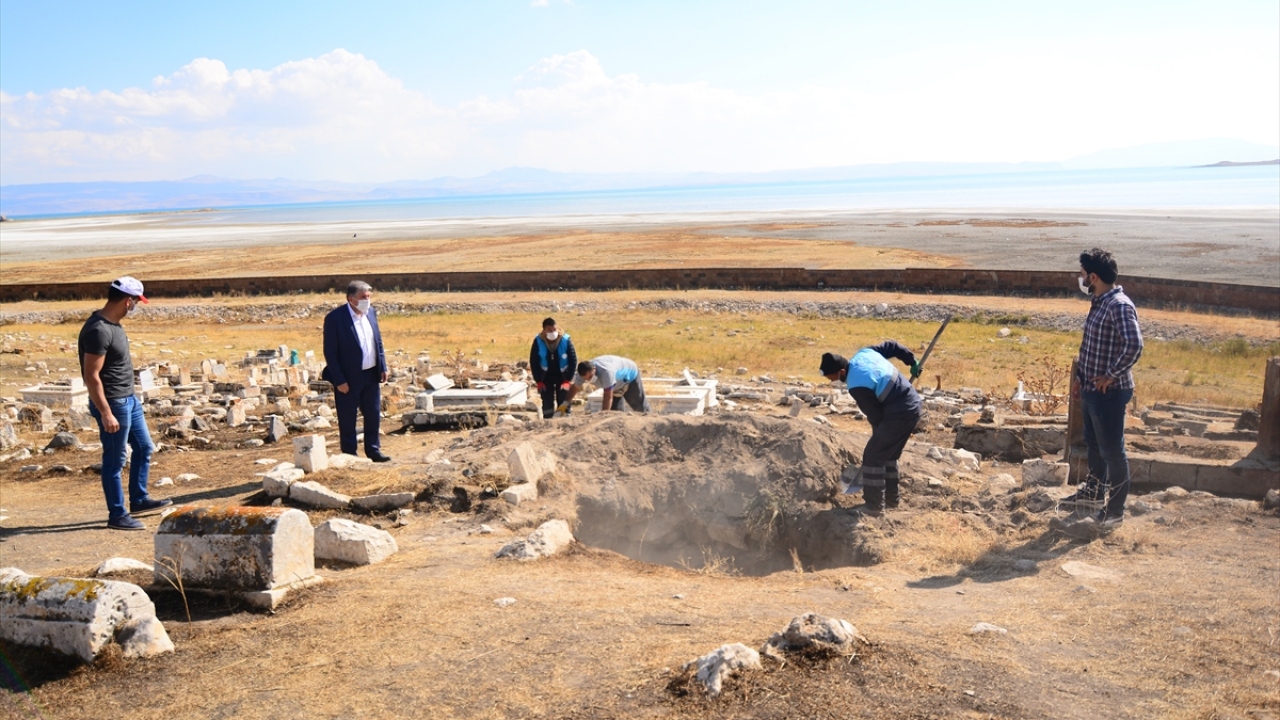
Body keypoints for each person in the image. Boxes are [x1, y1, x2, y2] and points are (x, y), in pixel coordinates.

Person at [1059, 248, 1143, 531]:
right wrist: (1080, 378)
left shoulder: (1118, 305)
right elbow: (1092, 347)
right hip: (1091, 389)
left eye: (1082, 273)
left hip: (1110, 392)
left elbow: (1134, 345)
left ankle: (1114, 513)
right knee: (1094, 444)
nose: (1080, 278)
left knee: (1113, 452)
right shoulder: (1099, 301)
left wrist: (1110, 375)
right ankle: (1094, 493)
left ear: (1093, 276)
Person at [79, 276, 171, 531]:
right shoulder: (98, 330)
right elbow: (91, 376)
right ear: (128, 301)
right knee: (115, 459)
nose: (136, 307)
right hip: (113, 403)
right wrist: (106, 413)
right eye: (136, 302)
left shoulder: (114, 325)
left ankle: (139, 500)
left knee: (144, 448)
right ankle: (117, 515)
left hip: (129, 399)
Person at [820, 342, 923, 516]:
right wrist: (912, 362)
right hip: (912, 404)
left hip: (899, 412)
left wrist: (879, 433)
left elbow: (876, 416)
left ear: (842, 372)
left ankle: (874, 506)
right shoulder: (864, 353)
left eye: (834, 378)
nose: (834, 381)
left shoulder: (856, 385)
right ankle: (891, 500)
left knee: (873, 456)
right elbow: (893, 346)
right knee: (888, 454)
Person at [323, 280, 390, 462]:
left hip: (370, 374)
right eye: (363, 297)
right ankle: (350, 455)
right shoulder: (335, 319)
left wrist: (383, 366)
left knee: (373, 414)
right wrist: (339, 380)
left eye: (369, 296)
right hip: (348, 378)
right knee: (347, 418)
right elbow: (330, 352)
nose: (367, 301)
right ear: (351, 299)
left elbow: (378, 342)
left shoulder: (371, 313)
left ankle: (373, 450)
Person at [529, 318, 577, 419]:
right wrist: (538, 381)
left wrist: (568, 380)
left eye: (554, 329)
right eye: (549, 330)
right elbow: (534, 362)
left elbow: (573, 361)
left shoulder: (566, 340)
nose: (553, 332)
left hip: (563, 376)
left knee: (564, 399)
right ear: (544, 330)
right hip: (545, 376)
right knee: (547, 401)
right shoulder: (538, 341)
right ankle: (548, 421)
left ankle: (564, 421)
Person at [565, 355, 649, 413]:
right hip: (615, 385)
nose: (588, 380)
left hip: (629, 377)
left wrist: (603, 417)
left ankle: (654, 426)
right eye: (585, 379)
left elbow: (608, 397)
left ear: (594, 369)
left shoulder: (606, 372)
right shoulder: (582, 373)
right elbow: (575, 388)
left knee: (640, 408)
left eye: (590, 377)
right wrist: (564, 404)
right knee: (614, 415)